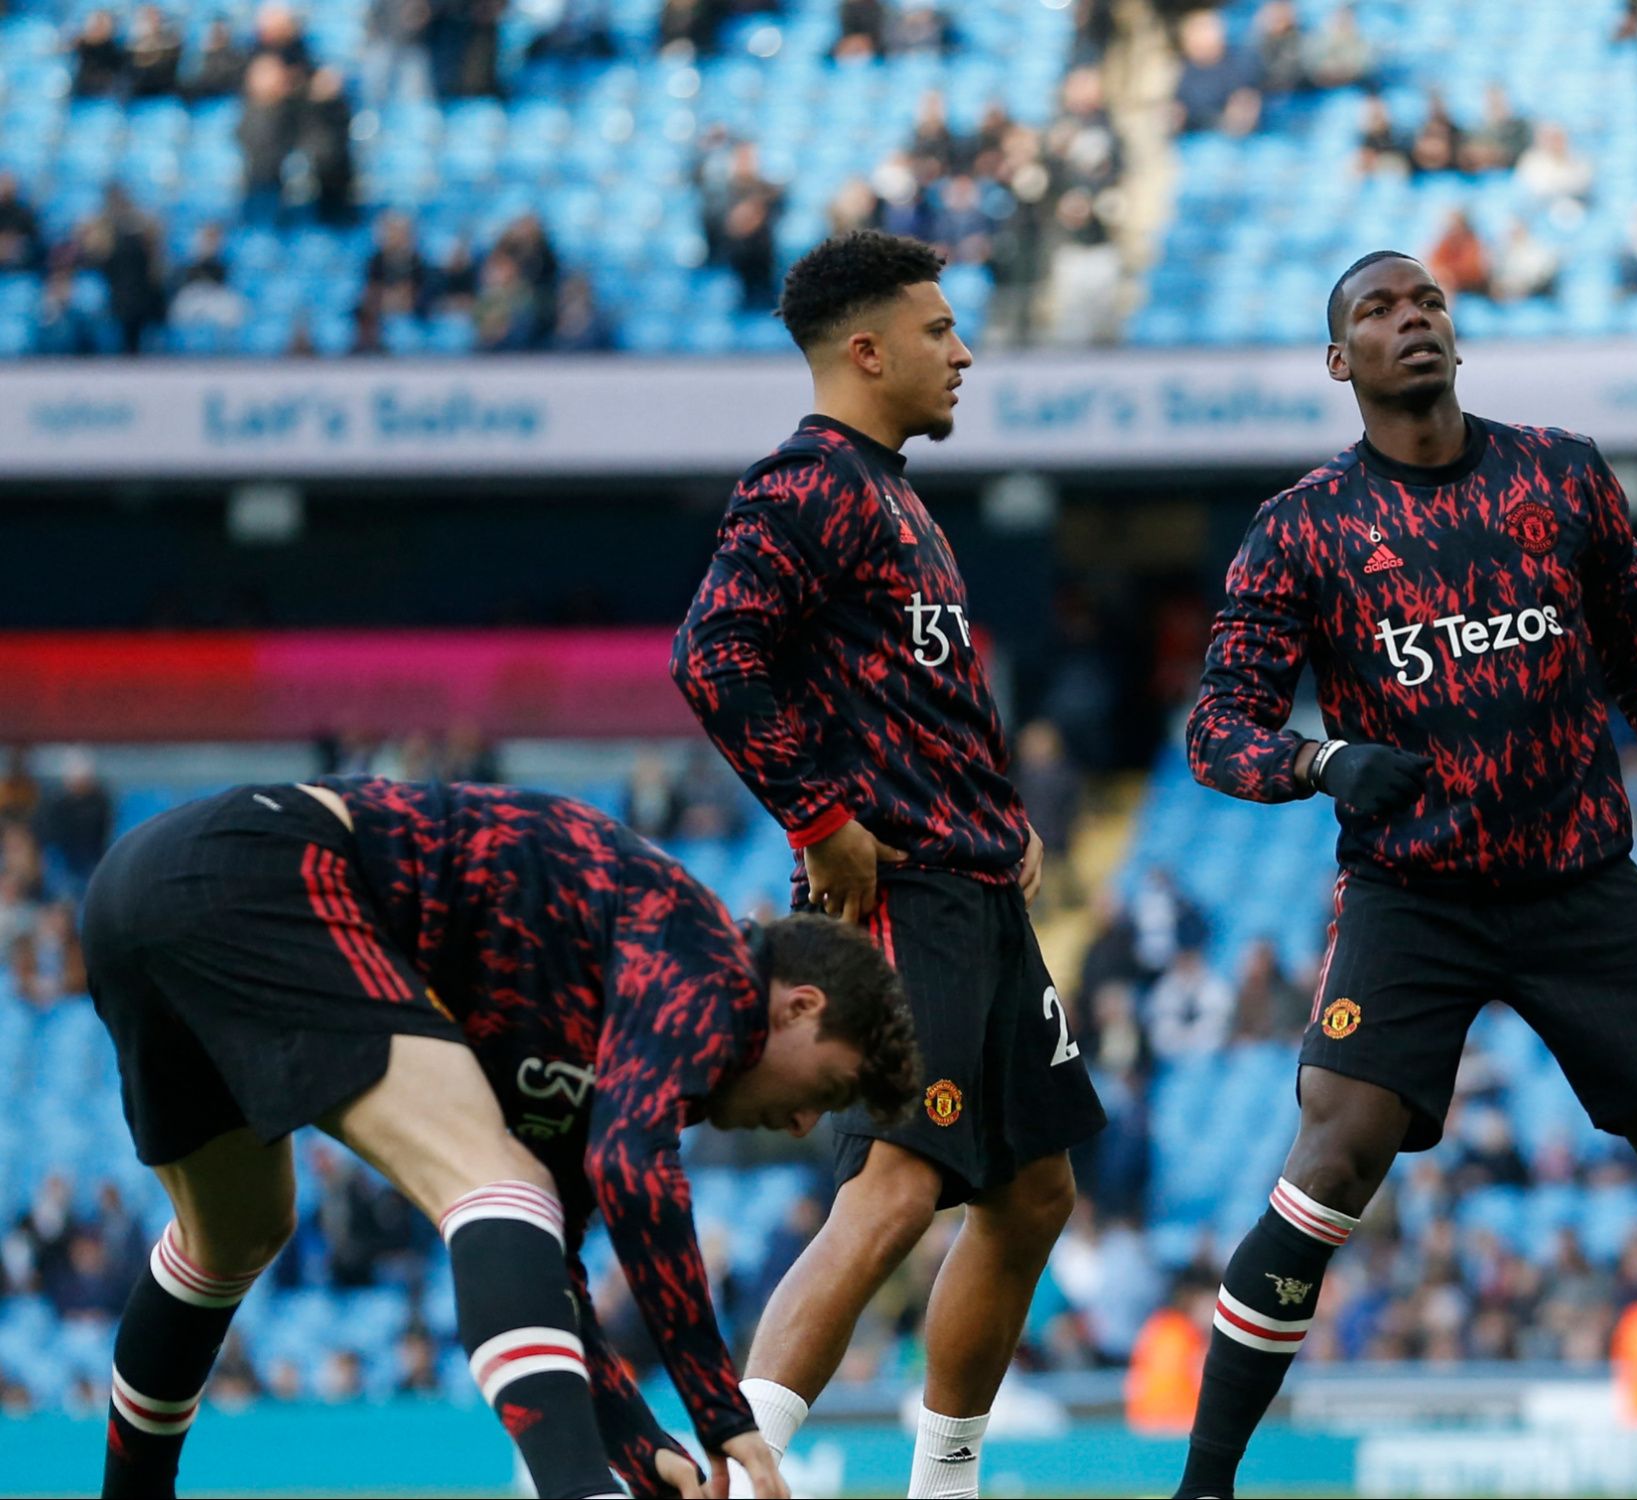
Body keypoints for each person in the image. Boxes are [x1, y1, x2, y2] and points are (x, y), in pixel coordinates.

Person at [1172, 251, 1637, 1500]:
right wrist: (1323, 762)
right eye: (1379, 312)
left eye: (1427, 302)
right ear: (1341, 363)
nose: (1412, 322)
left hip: (1580, 881)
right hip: (1411, 893)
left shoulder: (1563, 472)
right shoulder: (1301, 527)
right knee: (1334, 1154)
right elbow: (1216, 728)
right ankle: (1205, 1489)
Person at [80, 776, 922, 1500]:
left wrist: (643, 1444)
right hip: (269, 868)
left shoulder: (618, 1036)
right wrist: (719, 1411)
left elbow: (540, 1270)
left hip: (138, 890)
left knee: (234, 1233)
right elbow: (631, 1169)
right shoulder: (710, 958)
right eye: (832, 1088)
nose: (809, 1122)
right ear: (799, 1006)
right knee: (494, 1181)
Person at [673, 229, 1105, 1500]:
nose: (962, 352)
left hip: (973, 880)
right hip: (903, 891)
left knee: (1033, 1194)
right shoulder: (804, 483)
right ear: (864, 351)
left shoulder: (897, 497)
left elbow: (907, 698)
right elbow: (713, 655)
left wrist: (1002, 814)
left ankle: (945, 1480)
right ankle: (739, 1474)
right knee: (901, 1185)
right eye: (937, 331)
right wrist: (816, 816)